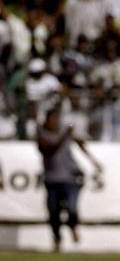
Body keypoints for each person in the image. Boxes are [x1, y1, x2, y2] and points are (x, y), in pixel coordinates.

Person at [37, 106, 101, 252]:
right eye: (52, 119)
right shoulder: (43, 135)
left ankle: (73, 226)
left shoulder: (64, 132)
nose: (55, 122)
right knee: (54, 212)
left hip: (70, 177)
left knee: (71, 208)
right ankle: (57, 238)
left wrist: (93, 160)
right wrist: (64, 136)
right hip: (52, 179)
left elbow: (79, 142)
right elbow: (48, 149)